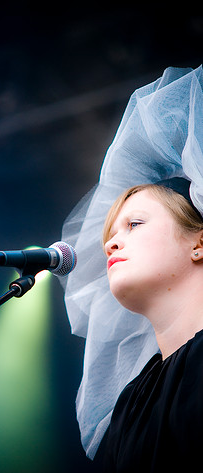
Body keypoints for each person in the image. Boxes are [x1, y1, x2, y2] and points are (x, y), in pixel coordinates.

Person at [60, 65, 203, 470]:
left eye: (134, 224)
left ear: (199, 242)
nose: (110, 242)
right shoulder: (132, 401)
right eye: (110, 231)